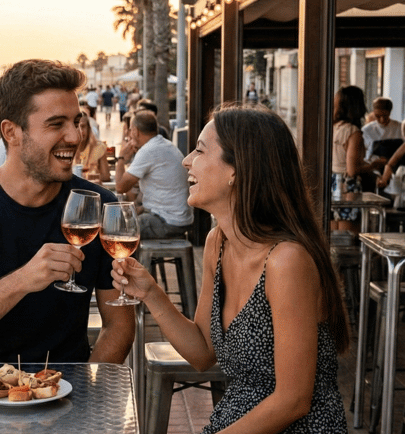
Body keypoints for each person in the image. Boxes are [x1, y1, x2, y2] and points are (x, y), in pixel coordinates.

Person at [112, 103, 349, 433]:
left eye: (199, 150)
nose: (186, 160)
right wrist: (151, 293)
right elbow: (202, 354)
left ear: (236, 170)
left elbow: (294, 400)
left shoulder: (287, 261)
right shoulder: (217, 243)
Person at [0, 59, 135, 364]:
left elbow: (120, 325)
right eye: (56, 124)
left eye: (76, 121)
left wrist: (87, 396)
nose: (74, 137)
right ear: (11, 132)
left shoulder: (100, 206)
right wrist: (23, 280)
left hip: (67, 387)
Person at [114, 110, 193, 239]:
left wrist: (121, 157)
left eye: (130, 130)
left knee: (114, 227)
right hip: (181, 219)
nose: (129, 134)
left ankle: (131, 260)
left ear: (135, 131)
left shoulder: (148, 150)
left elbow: (120, 187)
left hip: (167, 222)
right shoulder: (165, 145)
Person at [330, 86, 384, 230]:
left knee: (333, 232)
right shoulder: (353, 132)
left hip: (332, 183)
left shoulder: (333, 127)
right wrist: (374, 166)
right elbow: (352, 170)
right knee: (348, 232)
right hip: (347, 186)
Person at [362, 97, 403, 186]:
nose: (382, 120)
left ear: (390, 112)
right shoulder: (367, 130)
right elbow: (363, 155)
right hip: (374, 172)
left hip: (396, 172)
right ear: (373, 112)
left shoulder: (399, 128)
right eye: (377, 116)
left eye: (385, 116)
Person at [76, 109, 110, 183]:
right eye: (77, 127)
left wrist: (90, 177)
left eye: (83, 126)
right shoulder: (67, 149)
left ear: (88, 128)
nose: (81, 131)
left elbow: (106, 176)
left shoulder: (98, 147)